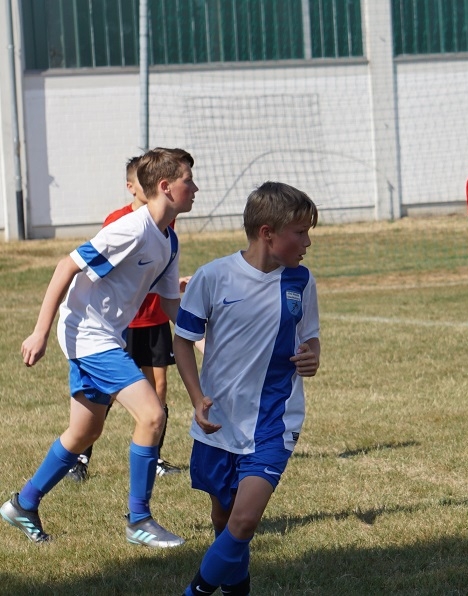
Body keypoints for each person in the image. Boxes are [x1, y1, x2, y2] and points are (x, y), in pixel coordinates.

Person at [2, 147, 197, 547]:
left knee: (85, 430)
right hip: (88, 333)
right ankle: (139, 520)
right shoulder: (131, 229)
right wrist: (39, 332)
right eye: (188, 181)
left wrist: (207, 335)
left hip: (104, 334)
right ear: (165, 187)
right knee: (152, 415)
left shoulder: (169, 240)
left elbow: (170, 305)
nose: (195, 188)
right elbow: (67, 265)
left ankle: (23, 503)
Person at [175, 182, 320, 596]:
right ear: (267, 232)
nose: (307, 243)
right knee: (224, 521)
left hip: (276, 420)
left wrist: (312, 356)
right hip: (221, 422)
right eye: (300, 232)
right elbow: (183, 341)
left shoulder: (300, 281)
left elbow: (310, 335)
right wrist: (196, 398)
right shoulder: (214, 276)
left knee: (244, 521)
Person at [67, 156, 183, 482]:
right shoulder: (120, 223)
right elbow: (101, 271)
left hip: (155, 318)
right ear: (133, 186)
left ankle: (153, 457)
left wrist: (174, 285)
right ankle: (80, 456)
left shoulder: (167, 225)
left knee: (158, 389)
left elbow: (156, 271)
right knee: (106, 394)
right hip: (122, 325)